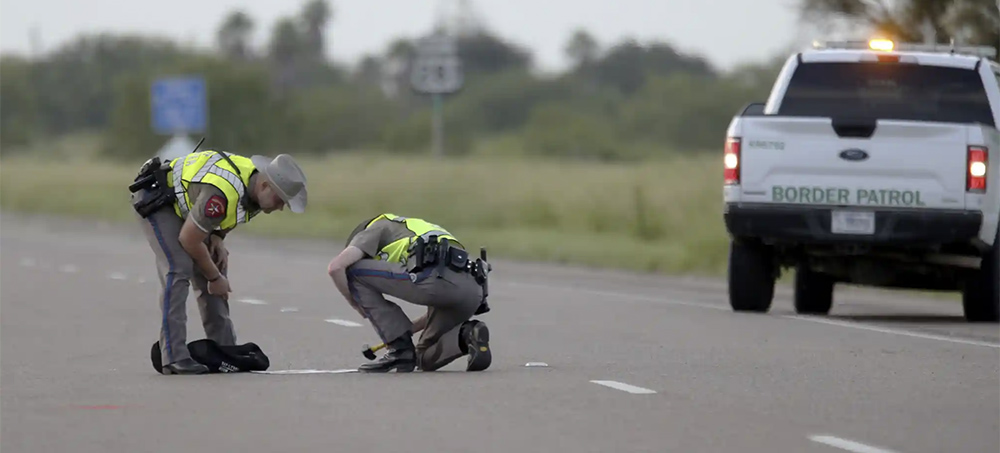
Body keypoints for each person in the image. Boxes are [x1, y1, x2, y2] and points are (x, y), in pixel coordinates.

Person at [129, 149, 308, 375]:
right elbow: (189, 239)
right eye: (280, 200)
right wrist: (215, 278)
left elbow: (232, 213)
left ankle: (225, 352)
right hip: (157, 200)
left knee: (213, 259)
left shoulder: (255, 190)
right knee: (179, 267)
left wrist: (217, 238)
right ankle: (173, 357)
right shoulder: (223, 192)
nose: (280, 207)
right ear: (264, 185)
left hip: (190, 207)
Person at [326, 214, 492, 373]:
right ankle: (468, 334)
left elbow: (336, 267)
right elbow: (442, 301)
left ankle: (399, 349)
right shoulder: (414, 228)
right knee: (424, 357)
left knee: (353, 271)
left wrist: (356, 304)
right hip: (473, 290)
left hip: (435, 279)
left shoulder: (376, 226)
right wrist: (406, 330)